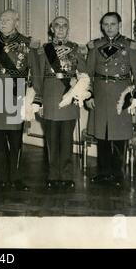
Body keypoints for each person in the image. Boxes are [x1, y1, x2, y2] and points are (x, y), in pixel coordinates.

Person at [0, 9, 39, 191]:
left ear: (17, 22)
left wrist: (35, 100)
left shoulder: (27, 43)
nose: (3, 23)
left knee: (14, 139)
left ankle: (15, 177)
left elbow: (35, 73)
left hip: (16, 94)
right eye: (1, 20)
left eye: (7, 20)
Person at [85, 12, 136, 187]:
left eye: (112, 24)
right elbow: (87, 75)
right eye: (106, 24)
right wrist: (88, 95)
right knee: (102, 135)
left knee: (119, 136)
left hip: (121, 95)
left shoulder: (129, 46)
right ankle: (104, 173)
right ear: (102, 26)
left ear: (119, 24)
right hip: (100, 94)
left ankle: (118, 175)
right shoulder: (95, 46)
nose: (109, 27)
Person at [34, 16, 90, 189]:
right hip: (50, 97)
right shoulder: (44, 50)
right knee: (51, 139)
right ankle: (52, 174)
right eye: (57, 26)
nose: (60, 29)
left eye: (64, 26)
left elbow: (84, 74)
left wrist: (78, 87)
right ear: (51, 28)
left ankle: (66, 175)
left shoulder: (76, 49)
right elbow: (38, 77)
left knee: (66, 139)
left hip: (69, 96)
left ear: (68, 29)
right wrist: (39, 101)